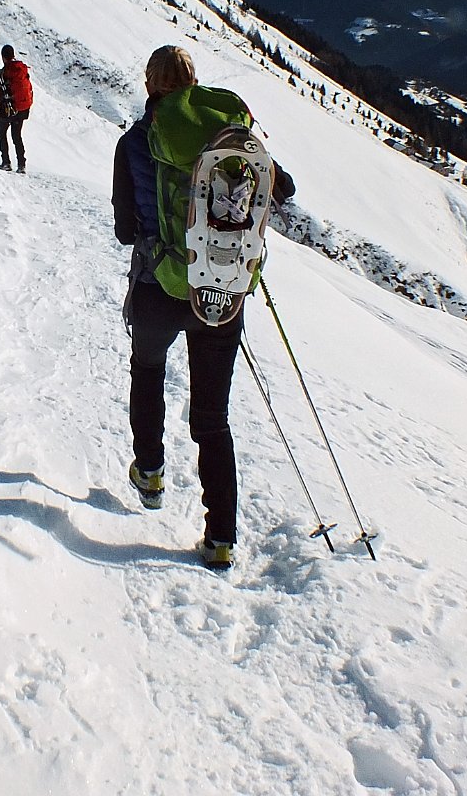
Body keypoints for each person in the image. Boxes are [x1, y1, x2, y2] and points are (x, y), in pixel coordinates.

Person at [111, 45, 294, 570]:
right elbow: (284, 189)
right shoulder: (229, 138)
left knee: (147, 369)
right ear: (193, 84)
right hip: (224, 290)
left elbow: (126, 230)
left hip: (160, 285)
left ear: (150, 86)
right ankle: (220, 537)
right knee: (213, 417)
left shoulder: (134, 143)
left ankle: (149, 473)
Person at [0, 45, 33, 173]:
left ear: (3, 57)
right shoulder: (21, 70)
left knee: (2, 133)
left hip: (7, 109)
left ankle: (6, 162)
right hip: (21, 109)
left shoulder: (1, 74)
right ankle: (21, 165)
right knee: (17, 136)